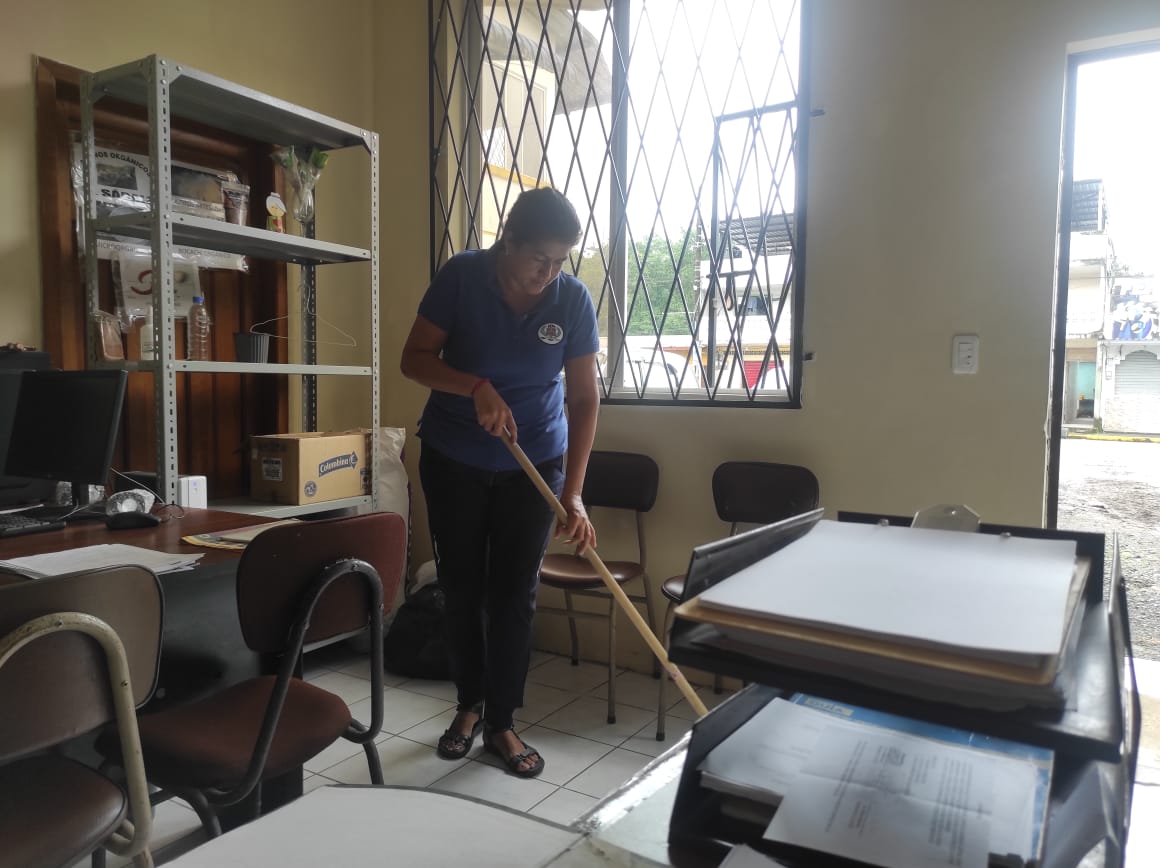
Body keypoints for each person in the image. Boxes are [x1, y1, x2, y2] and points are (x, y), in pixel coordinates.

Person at [400, 187, 600, 778]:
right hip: (454, 457)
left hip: (534, 465)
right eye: (539, 258)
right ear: (507, 240)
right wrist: (475, 386)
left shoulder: (571, 299)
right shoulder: (463, 276)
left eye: (560, 261)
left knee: (515, 594)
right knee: (462, 587)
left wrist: (573, 493)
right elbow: (414, 359)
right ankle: (468, 706)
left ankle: (502, 722)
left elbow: (584, 398)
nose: (549, 273)